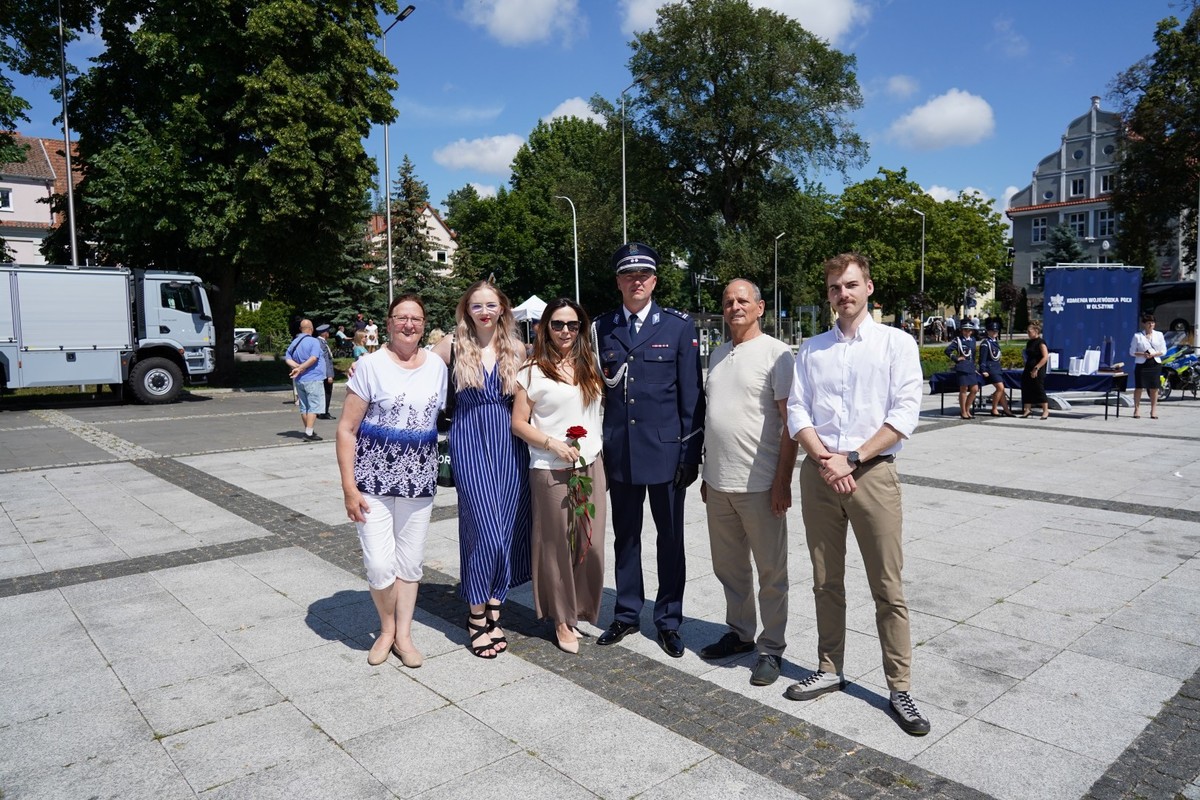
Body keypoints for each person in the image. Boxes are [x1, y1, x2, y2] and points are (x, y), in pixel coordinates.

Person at [785, 252, 930, 737]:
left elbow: (906, 411)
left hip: (872, 474)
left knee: (887, 587)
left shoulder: (896, 343)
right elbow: (798, 412)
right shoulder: (812, 349)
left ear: (868, 287)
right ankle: (830, 668)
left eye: (850, 285)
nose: (842, 295)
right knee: (826, 581)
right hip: (821, 473)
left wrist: (855, 458)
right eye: (833, 288)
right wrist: (826, 459)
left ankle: (900, 687)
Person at [592, 242, 705, 659]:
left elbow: (692, 397)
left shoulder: (677, 327)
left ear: (655, 280)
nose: (636, 281)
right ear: (618, 281)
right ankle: (625, 612)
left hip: (666, 454)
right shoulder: (601, 328)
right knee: (626, 537)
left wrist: (690, 455)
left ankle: (669, 620)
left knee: (671, 539)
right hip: (620, 453)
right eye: (628, 275)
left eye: (643, 274)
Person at [698, 279, 797, 687]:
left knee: (771, 571)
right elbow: (713, 420)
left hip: (760, 484)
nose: (735, 306)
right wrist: (707, 474)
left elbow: (790, 424)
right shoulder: (719, 354)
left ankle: (771, 648)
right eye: (728, 301)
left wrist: (782, 481)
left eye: (743, 300)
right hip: (719, 483)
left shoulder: (777, 354)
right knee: (730, 568)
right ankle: (740, 634)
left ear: (759, 307)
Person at [336, 295, 444, 668]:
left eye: (416, 318)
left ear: (424, 324)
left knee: (410, 565)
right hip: (372, 483)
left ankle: (404, 635)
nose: (409, 325)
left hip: (419, 482)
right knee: (380, 566)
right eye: (402, 318)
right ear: (389, 322)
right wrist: (349, 487)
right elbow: (347, 429)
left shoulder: (437, 367)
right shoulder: (369, 366)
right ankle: (385, 629)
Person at [432, 281, 532, 659]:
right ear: (467, 310)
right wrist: (370, 362)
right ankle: (475, 616)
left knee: (506, 528)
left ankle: (494, 606)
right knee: (483, 529)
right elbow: (410, 364)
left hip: (510, 445)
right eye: (477, 305)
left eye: (492, 305)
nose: (485, 311)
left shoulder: (517, 349)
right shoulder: (452, 345)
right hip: (470, 439)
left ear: (503, 309)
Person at [511, 298, 607, 654]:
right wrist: (552, 444)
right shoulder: (532, 369)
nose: (565, 331)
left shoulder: (589, 365)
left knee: (588, 543)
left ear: (581, 328)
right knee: (555, 547)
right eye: (557, 324)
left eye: (572, 324)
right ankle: (561, 619)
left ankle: (579, 608)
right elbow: (518, 423)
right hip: (550, 469)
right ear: (544, 327)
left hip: (590, 465)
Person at [283, 319, 328, 442]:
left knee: (304, 406)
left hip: (300, 380)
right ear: (311, 328)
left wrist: (297, 367)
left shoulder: (295, 342)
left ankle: (309, 430)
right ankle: (309, 433)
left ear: (300, 329)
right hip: (313, 378)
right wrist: (301, 367)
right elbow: (313, 358)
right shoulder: (314, 341)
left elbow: (287, 358)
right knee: (314, 406)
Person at [1130, 312, 1166, 419]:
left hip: (1154, 363)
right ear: (1144, 324)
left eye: (1153, 323)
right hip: (1142, 364)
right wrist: (1143, 354)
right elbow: (1131, 352)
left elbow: (1164, 350)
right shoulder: (1137, 336)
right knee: (1139, 387)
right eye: (1149, 323)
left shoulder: (1159, 335)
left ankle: (1153, 410)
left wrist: (1154, 354)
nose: (1151, 325)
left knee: (1154, 388)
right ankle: (1136, 409)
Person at [978, 321, 1014, 416]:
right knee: (1000, 388)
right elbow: (982, 358)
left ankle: (1006, 409)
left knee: (1002, 390)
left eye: (996, 331)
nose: (994, 333)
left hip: (997, 368)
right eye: (992, 331)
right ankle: (994, 409)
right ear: (988, 332)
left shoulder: (995, 342)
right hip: (990, 369)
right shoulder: (986, 343)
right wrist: (983, 370)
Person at [944, 322, 979, 419]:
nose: (967, 332)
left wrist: (975, 367)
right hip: (962, 367)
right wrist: (956, 358)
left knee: (975, 389)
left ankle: (967, 409)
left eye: (969, 330)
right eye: (965, 330)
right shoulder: (958, 340)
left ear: (972, 331)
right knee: (964, 389)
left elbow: (973, 355)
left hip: (971, 367)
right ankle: (963, 411)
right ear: (962, 331)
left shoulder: (973, 340)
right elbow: (947, 351)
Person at [1020, 321, 1050, 419]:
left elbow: (1045, 357)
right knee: (1026, 387)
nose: (1028, 334)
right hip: (1028, 367)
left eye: (1029, 332)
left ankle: (1045, 410)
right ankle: (1027, 409)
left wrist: (1036, 368)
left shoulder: (1041, 342)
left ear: (1036, 331)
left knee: (1038, 388)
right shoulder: (1029, 342)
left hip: (1038, 368)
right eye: (1027, 332)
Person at [315, 323, 336, 421]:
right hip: (324, 374)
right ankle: (324, 412)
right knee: (327, 392)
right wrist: (329, 375)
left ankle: (321, 411)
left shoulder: (319, 342)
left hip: (320, 373)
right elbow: (326, 360)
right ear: (324, 333)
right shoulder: (321, 343)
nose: (328, 334)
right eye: (327, 332)